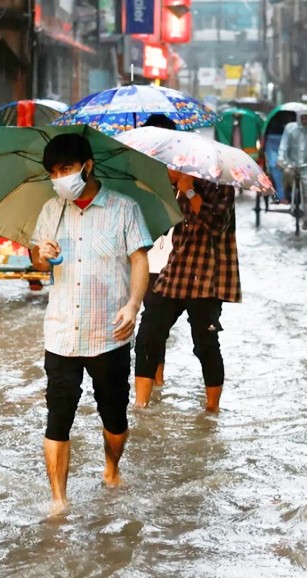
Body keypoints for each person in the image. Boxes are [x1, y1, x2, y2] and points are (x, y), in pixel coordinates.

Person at [28, 134, 151, 513]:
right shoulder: (52, 210)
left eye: (66, 169)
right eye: (53, 172)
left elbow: (139, 260)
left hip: (109, 333)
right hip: (62, 332)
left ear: (88, 166)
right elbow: (36, 264)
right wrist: (41, 256)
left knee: (114, 417)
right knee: (57, 418)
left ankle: (111, 469)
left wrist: (133, 305)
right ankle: (59, 501)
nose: (59, 178)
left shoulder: (124, 209)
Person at [134, 165, 239, 412]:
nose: (166, 170)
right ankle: (140, 407)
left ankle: (212, 411)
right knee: (148, 336)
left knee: (205, 344)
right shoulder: (172, 189)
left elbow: (216, 225)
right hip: (176, 271)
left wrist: (190, 192)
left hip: (207, 276)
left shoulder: (220, 187)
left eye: (170, 167)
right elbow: (160, 228)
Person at [134, 113, 179, 391]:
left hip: (169, 256)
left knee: (153, 321)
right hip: (141, 254)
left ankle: (156, 377)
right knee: (149, 322)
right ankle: (152, 378)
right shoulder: (136, 170)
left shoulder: (180, 170)